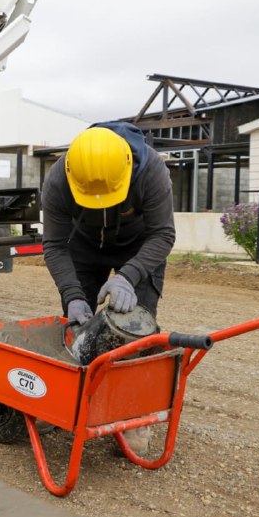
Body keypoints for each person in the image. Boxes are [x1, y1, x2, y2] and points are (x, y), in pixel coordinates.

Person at [41, 121, 176, 454]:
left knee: (137, 333)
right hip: (84, 248)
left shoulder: (151, 170)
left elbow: (163, 234)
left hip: (140, 246)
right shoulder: (58, 178)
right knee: (78, 329)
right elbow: (55, 245)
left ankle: (133, 417)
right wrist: (72, 295)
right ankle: (72, 403)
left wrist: (129, 276)